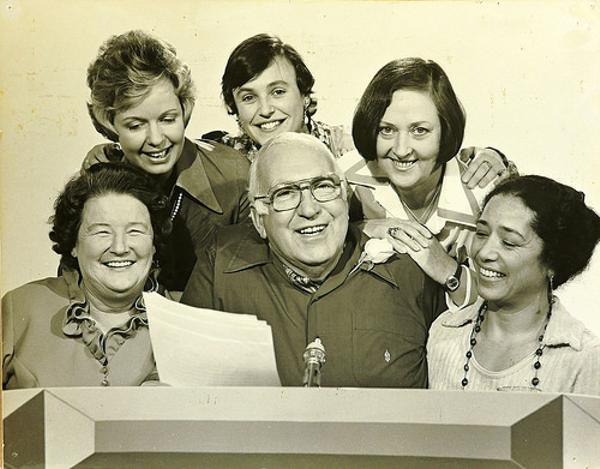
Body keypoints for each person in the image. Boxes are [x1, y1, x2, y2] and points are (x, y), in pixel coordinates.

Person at [181, 132, 467, 388]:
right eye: (285, 193)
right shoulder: (220, 267)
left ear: (344, 197)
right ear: (258, 220)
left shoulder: (407, 269)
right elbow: (182, 387)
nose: (309, 209)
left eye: (323, 186)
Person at [342, 57, 518, 303]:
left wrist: (448, 270)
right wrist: (362, 229)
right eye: (387, 130)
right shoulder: (345, 179)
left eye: (419, 131)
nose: (401, 150)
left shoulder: (483, 194)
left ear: (446, 130)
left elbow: (512, 298)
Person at [84, 30, 250, 292]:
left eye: (167, 119)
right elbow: (78, 279)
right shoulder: (98, 180)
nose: (156, 139)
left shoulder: (235, 173)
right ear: (110, 123)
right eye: (136, 125)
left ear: (185, 110)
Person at [2, 163, 172, 389]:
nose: (120, 247)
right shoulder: (19, 308)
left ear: (153, 244)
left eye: (135, 231)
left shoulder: (180, 326)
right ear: (74, 243)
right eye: (102, 232)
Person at [427, 175, 600, 395]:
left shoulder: (583, 358)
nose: (484, 253)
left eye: (509, 243)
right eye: (481, 233)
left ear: (553, 261)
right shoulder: (443, 332)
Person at [212, 33, 353, 162]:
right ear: (234, 107)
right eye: (249, 98)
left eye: (278, 92)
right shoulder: (220, 161)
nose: (265, 110)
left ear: (304, 95)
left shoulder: (350, 149)